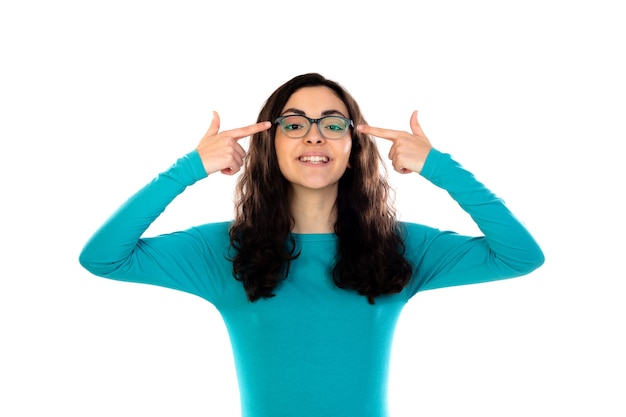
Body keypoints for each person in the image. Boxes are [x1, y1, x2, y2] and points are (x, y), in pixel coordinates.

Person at [79, 72, 544, 417]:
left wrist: (439, 167)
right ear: (271, 142)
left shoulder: (398, 247)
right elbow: (103, 257)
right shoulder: (224, 250)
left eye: (334, 124)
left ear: (354, 146)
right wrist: (189, 167)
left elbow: (520, 255)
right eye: (295, 123)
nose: (315, 134)